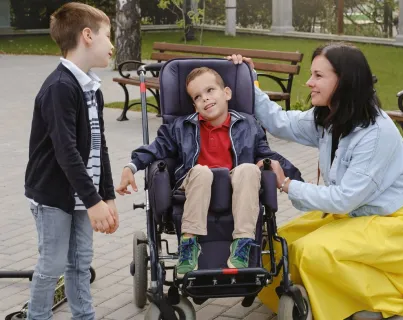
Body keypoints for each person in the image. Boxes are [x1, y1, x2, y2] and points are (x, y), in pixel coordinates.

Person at [226, 43, 403, 320]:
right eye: (311, 75)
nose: (309, 83)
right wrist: (248, 76)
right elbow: (279, 121)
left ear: (344, 81)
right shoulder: (331, 117)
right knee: (280, 244)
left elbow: (345, 198)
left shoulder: (376, 134)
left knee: (310, 252)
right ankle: (311, 297)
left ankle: (370, 300)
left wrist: (287, 184)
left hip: (391, 225)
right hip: (350, 217)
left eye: (318, 76)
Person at [116, 66, 301, 278]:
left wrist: (295, 181)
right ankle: (189, 244)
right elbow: (156, 148)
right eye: (198, 96)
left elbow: (268, 154)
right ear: (194, 105)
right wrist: (131, 166)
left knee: (249, 169)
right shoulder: (181, 127)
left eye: (210, 90)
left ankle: (242, 244)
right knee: (202, 172)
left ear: (227, 93)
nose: (205, 98)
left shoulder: (248, 125)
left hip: (235, 188)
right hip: (194, 185)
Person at [24, 2, 118, 319]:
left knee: (80, 263)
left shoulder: (91, 87)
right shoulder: (60, 87)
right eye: (109, 35)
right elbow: (66, 151)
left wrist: (107, 195)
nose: (112, 45)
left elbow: (99, 144)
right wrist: (94, 201)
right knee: (52, 265)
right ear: (88, 36)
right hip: (53, 194)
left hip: (82, 193)